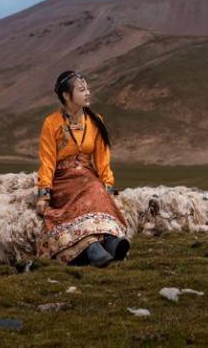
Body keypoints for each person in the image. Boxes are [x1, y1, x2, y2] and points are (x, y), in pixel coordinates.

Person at [35, 70, 130, 267]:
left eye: (88, 88)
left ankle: (111, 243)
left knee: (97, 189)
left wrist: (108, 184)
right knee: (90, 190)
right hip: (62, 179)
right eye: (81, 89)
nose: (88, 93)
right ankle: (93, 247)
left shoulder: (96, 122)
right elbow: (47, 160)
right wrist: (44, 193)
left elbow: (103, 159)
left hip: (88, 176)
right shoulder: (51, 123)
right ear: (66, 96)